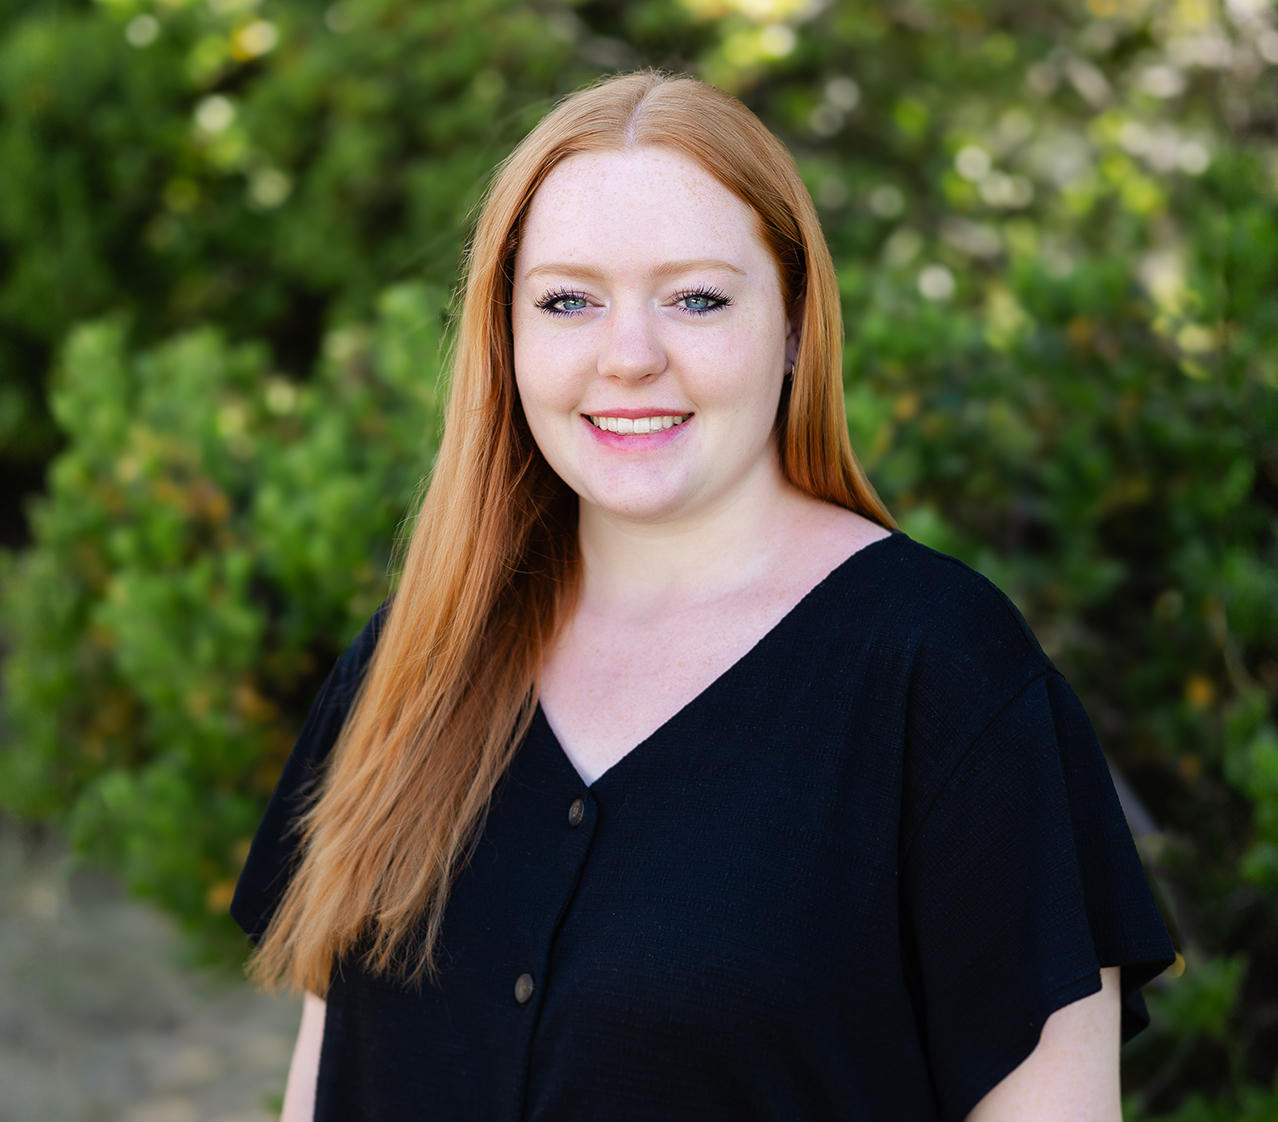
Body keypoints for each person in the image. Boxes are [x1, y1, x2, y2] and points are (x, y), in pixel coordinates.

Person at [231, 71, 1173, 1121]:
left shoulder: (944, 676)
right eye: (568, 301)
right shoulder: (412, 659)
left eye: (698, 298)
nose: (629, 357)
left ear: (798, 330)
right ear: (507, 338)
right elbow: (325, 1081)